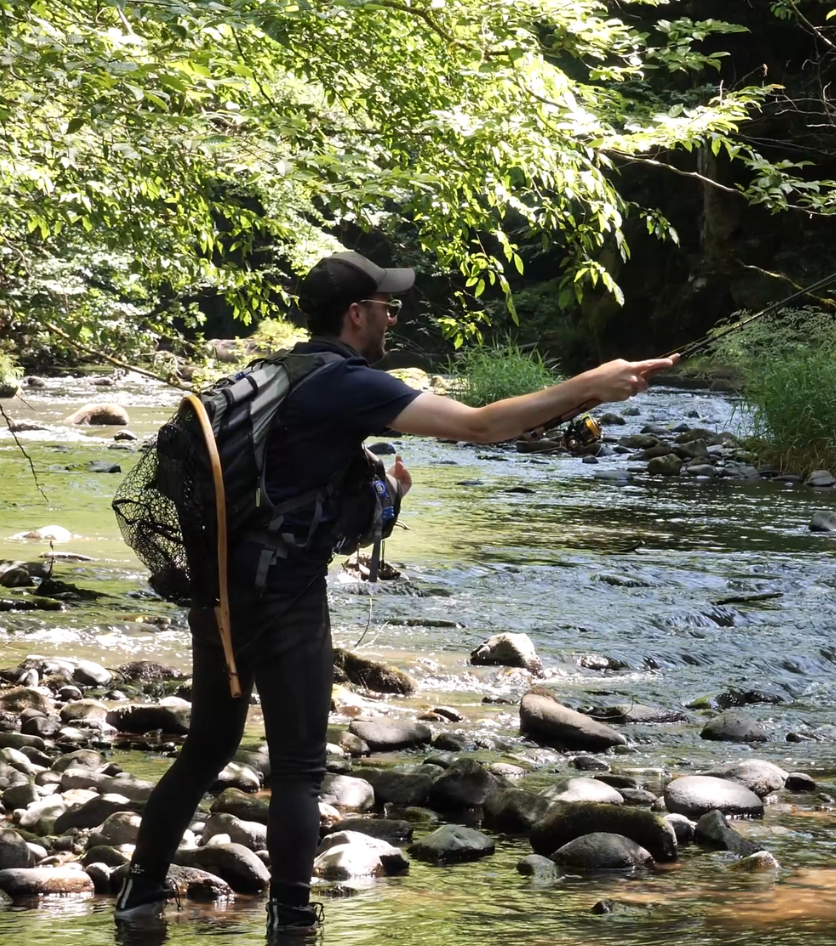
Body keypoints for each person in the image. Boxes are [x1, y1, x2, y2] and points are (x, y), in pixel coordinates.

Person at [115, 251, 675, 935]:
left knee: (206, 750)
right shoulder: (347, 384)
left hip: (220, 588)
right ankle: (293, 921)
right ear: (357, 315)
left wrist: (591, 398)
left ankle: (137, 899)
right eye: (389, 308)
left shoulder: (273, 375)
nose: (394, 320)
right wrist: (592, 378)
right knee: (297, 767)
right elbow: (482, 424)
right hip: (284, 593)